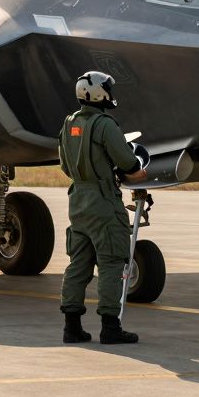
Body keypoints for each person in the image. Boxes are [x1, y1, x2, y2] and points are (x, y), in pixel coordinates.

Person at [58, 70, 148, 345]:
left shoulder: (69, 123)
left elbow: (65, 166)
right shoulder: (105, 124)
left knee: (78, 264)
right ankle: (110, 327)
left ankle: (72, 328)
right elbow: (128, 162)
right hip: (103, 202)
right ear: (99, 93)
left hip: (78, 201)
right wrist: (137, 168)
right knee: (111, 263)